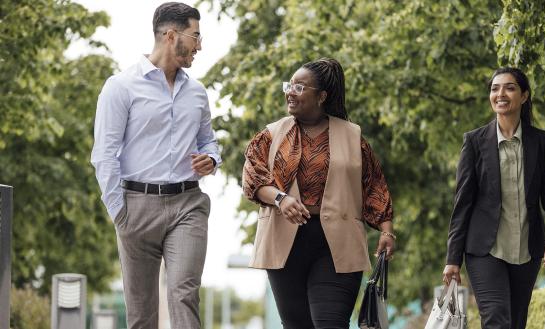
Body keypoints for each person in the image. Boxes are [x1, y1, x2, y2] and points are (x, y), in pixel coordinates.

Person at [90, 3, 220, 328]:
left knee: (183, 293)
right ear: (171, 35)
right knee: (141, 312)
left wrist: (212, 159)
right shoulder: (120, 87)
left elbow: (209, 141)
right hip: (136, 208)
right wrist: (120, 214)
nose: (200, 45)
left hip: (187, 205)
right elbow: (104, 155)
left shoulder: (197, 94)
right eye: (196, 36)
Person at [242, 57, 395, 329]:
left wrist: (386, 231)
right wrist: (280, 198)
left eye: (300, 87)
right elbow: (253, 177)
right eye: (289, 86)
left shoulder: (352, 136)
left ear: (322, 96)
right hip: (284, 243)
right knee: (297, 325)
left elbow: (374, 185)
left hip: (337, 244)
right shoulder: (271, 134)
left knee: (331, 323)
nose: (290, 92)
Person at [442, 67, 545, 329]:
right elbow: (462, 203)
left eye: (509, 87)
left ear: (524, 96)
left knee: (516, 322)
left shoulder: (540, 142)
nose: (500, 94)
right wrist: (453, 259)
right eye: (494, 88)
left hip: (527, 249)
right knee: (497, 318)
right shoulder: (475, 142)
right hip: (484, 249)